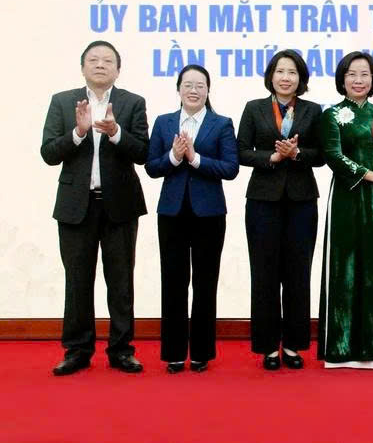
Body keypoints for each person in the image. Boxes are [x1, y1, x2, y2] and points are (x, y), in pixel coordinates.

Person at [40, 40, 149, 376]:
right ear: (83, 67)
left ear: (118, 69)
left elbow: (143, 153)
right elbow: (48, 153)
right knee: (77, 281)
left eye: (107, 61)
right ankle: (77, 350)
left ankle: (122, 350)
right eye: (93, 60)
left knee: (121, 281)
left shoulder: (132, 102)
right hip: (76, 206)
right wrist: (78, 132)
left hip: (120, 206)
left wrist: (116, 133)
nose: (100, 65)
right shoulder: (63, 101)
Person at [145, 64, 239, 373]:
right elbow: (152, 167)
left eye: (200, 85)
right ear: (178, 89)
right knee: (173, 281)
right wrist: (174, 157)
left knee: (205, 282)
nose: (194, 90)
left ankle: (201, 352)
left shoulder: (221, 124)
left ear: (208, 90)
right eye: (188, 85)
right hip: (171, 212)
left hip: (209, 214)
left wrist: (195, 159)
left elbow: (231, 168)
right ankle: (173, 352)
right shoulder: (164, 123)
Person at [318, 51, 373, 369]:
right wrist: (372, 175)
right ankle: (344, 348)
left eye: (365, 74)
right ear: (342, 79)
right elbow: (333, 155)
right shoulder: (331, 114)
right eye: (352, 74)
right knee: (347, 267)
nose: (358, 80)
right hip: (348, 198)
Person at [237, 50, 324, 371]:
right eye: (280, 71)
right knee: (264, 274)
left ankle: (293, 344)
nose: (286, 77)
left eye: (292, 72)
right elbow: (240, 151)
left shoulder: (313, 110)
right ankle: (268, 347)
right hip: (262, 200)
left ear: (301, 78)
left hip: (302, 201)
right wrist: (271, 158)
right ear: (271, 76)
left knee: (298, 273)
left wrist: (297, 153)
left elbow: (322, 154)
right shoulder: (254, 108)